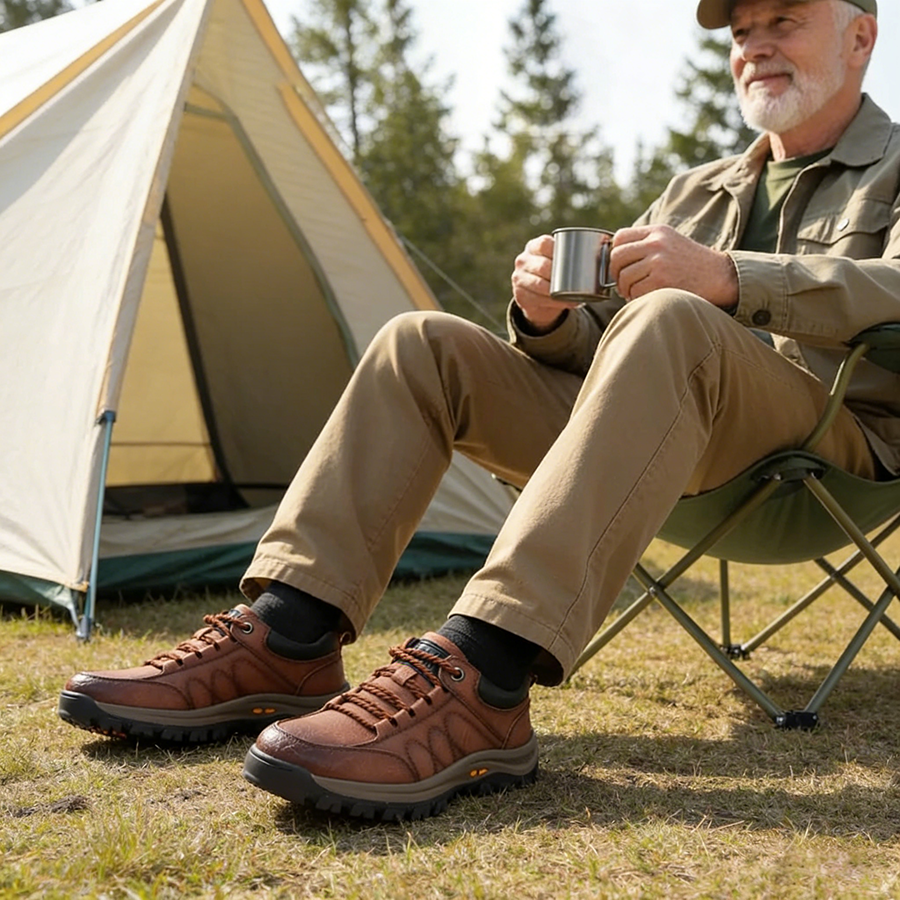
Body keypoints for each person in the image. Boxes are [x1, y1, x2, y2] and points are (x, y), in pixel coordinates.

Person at [59, 0, 897, 821]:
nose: (754, 46)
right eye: (742, 31)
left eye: (783, 21)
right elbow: (612, 346)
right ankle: (289, 636)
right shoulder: (697, 190)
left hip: (827, 451)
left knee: (673, 317)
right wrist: (549, 321)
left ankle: (487, 677)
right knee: (423, 343)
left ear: (860, 36)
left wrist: (731, 278)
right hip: (660, 445)